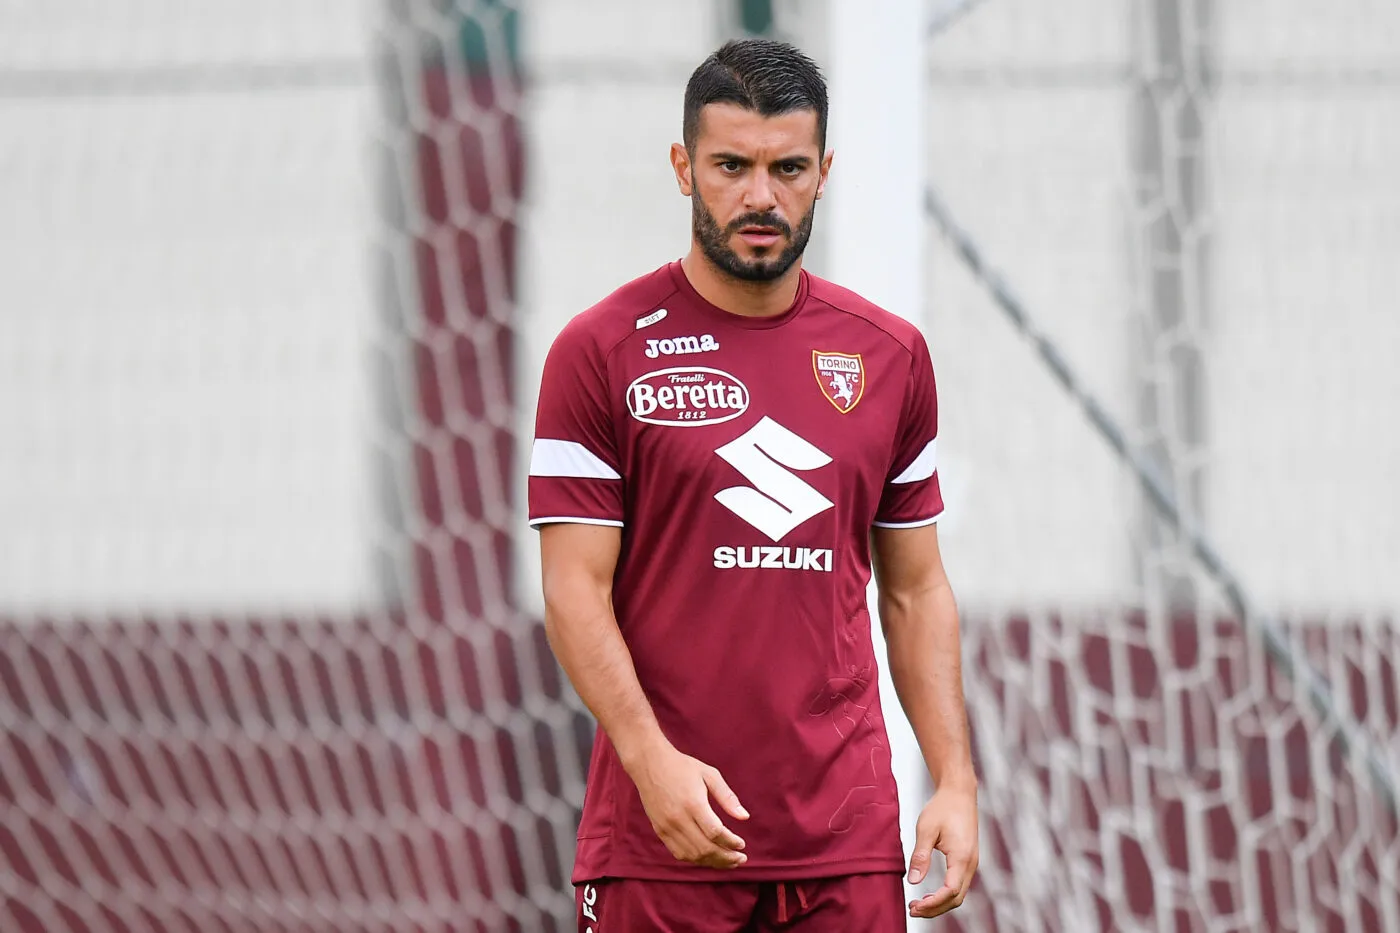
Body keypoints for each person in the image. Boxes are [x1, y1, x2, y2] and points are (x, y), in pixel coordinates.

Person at [528, 37, 978, 931]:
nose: (761, 196)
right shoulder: (599, 351)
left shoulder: (889, 357)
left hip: (845, 843)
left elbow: (916, 591)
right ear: (684, 168)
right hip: (663, 837)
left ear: (824, 173)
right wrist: (650, 760)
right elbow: (573, 590)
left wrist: (956, 779)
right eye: (732, 166)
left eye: (788, 168)